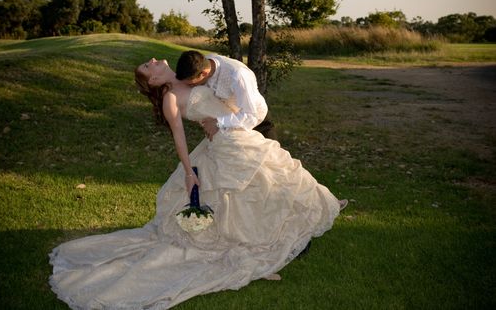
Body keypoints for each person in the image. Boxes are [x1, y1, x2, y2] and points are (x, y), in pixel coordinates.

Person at [48, 58, 347, 310]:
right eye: (147, 65)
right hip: (225, 148)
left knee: (274, 183)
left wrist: (221, 117)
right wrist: (189, 170)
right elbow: (178, 136)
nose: (153, 60)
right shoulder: (170, 98)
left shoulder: (189, 78)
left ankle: (294, 234)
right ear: (152, 80)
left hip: (239, 137)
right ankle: (270, 242)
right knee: (248, 195)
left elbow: (220, 93)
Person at [175, 50, 268, 140]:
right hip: (229, 114)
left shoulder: (238, 75)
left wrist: (218, 122)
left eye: (192, 84)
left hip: (255, 117)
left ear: (204, 73)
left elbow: (250, 116)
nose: (190, 87)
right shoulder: (204, 63)